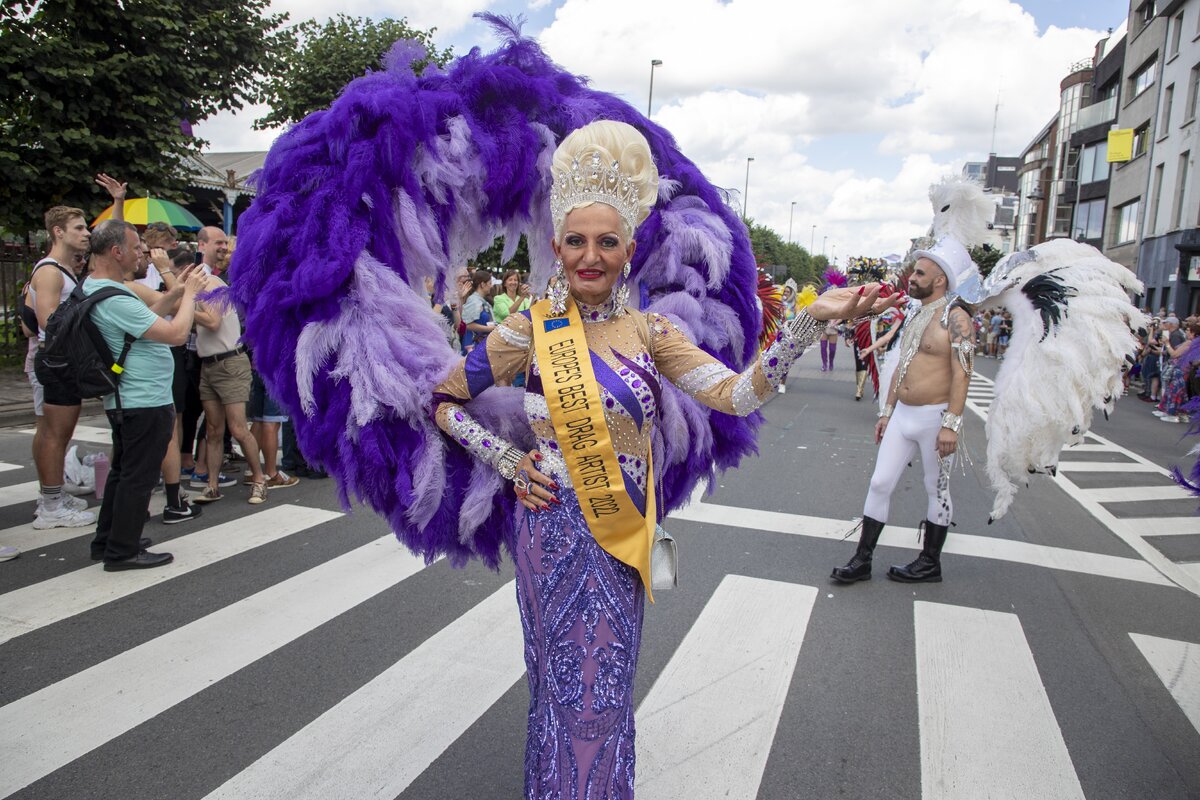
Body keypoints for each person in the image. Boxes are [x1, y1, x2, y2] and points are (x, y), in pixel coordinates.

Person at [429, 121, 894, 798]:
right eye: (577, 241)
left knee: (605, 695)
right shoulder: (527, 327)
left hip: (622, 535)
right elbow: (444, 401)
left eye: (606, 242)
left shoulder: (654, 333)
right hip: (551, 529)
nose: (591, 256)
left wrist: (808, 323)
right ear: (558, 248)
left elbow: (737, 395)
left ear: (630, 249)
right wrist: (506, 460)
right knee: (561, 689)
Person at [832, 235, 976, 585]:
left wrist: (951, 425)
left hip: (935, 417)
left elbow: (964, 372)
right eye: (913, 272)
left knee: (936, 488)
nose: (911, 278)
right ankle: (862, 560)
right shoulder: (916, 313)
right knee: (880, 482)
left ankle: (930, 563)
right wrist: (887, 411)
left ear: (939, 280)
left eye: (920, 274)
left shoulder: (957, 319)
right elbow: (902, 364)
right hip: (903, 415)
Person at [82, 220, 207, 569]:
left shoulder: (99, 288)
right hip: (142, 398)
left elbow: (143, 323)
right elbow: (177, 334)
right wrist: (192, 295)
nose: (143, 253)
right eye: (136, 247)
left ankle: (108, 540)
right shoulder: (117, 297)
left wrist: (174, 293)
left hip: (129, 398)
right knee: (138, 477)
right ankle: (123, 550)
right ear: (116, 252)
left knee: (124, 472)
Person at [27, 205, 97, 530]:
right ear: (59, 231)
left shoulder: (62, 270)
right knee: (55, 434)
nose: (86, 234)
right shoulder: (51, 271)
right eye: (80, 228)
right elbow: (48, 321)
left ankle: (51, 496)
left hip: (62, 360)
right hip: (57, 360)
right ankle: (52, 505)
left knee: (55, 433)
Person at [191, 266, 267, 504]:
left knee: (238, 429)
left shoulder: (212, 285)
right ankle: (212, 486)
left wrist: (184, 305)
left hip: (230, 363)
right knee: (213, 429)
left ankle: (259, 480)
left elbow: (212, 322)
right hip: (208, 365)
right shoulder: (196, 291)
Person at [459, 269, 496, 353]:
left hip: (480, 344)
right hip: (472, 345)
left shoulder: (479, 300)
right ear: (482, 284)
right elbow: (468, 325)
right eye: (490, 283)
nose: (491, 286)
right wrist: (490, 328)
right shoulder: (474, 301)